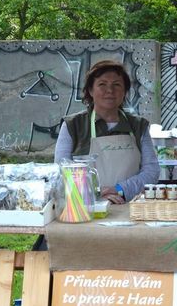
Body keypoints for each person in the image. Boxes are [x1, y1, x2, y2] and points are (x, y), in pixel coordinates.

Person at [54, 60, 159, 203]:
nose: (110, 90)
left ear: (125, 91)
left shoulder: (139, 126)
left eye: (117, 85)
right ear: (90, 90)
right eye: (102, 84)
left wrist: (120, 189)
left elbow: (151, 171)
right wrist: (94, 193)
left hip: (131, 206)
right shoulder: (72, 125)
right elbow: (61, 171)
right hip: (86, 206)